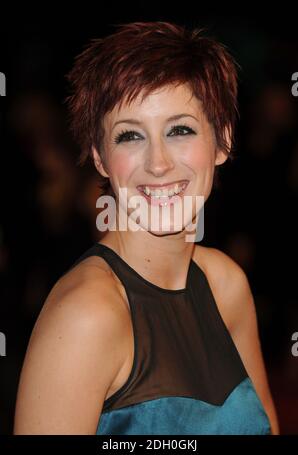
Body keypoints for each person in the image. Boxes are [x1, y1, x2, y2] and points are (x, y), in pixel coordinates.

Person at [13, 21, 279, 435]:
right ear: (100, 158)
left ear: (223, 141)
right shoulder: (87, 315)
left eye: (180, 130)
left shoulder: (226, 285)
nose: (158, 163)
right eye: (130, 136)